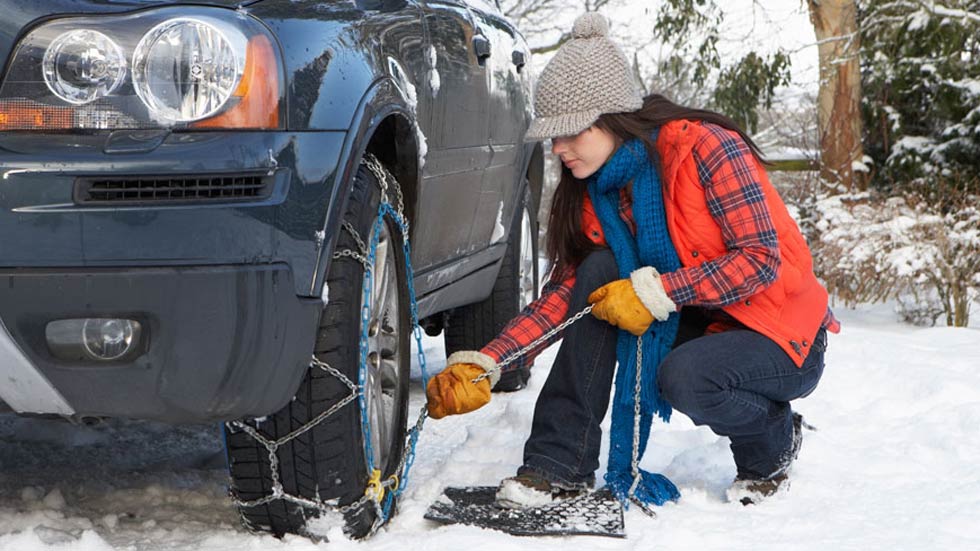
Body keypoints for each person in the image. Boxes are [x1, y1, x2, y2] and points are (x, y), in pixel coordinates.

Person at [425, 12, 839, 508]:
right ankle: (558, 462)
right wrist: (490, 361)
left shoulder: (705, 149)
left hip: (780, 335)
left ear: (611, 120)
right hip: (701, 322)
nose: (557, 148)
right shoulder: (597, 191)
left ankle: (772, 443)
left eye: (569, 132)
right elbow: (569, 296)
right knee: (600, 274)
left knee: (686, 376)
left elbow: (759, 262)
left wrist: (660, 291)